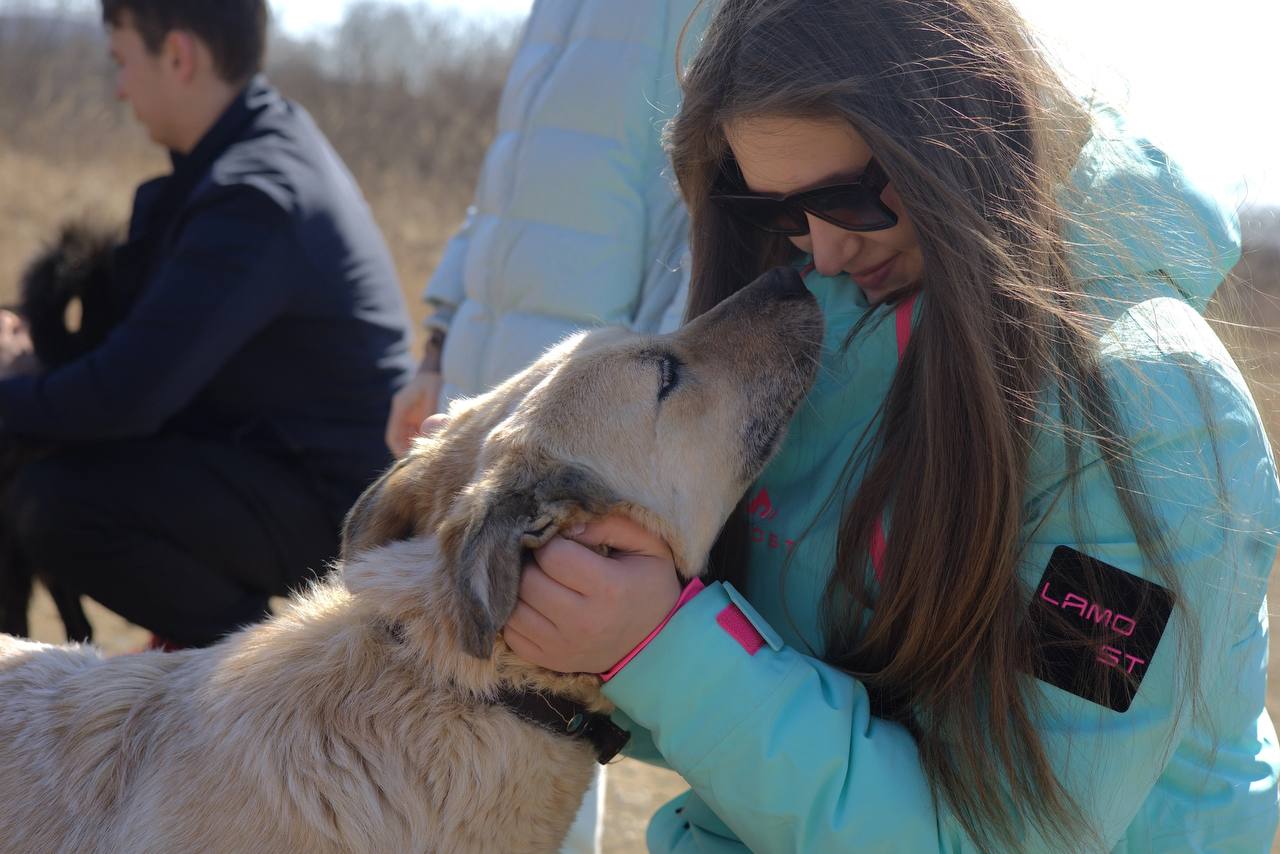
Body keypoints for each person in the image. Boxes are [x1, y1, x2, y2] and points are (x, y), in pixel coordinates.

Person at [499, 0, 1280, 850]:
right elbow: (781, 677)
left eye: (845, 199)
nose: (824, 252)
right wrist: (585, 629)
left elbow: (1005, 836)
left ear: (961, 132)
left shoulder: (1152, 417)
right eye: (782, 215)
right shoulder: (825, 325)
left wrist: (666, 649)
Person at [384, 2, 711, 851]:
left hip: (574, 473)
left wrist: (638, 446)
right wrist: (437, 346)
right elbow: (501, 191)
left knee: (546, 741)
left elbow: (700, 224)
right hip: (475, 445)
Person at [0, 0, 414, 649]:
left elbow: (123, 398)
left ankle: (251, 690)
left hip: (332, 503)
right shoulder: (259, 147)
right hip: (270, 463)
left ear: (179, 55)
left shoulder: (256, 194)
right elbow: (146, 357)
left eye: (122, 60)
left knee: (62, 506)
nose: (119, 87)